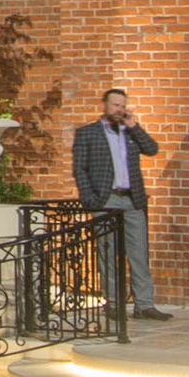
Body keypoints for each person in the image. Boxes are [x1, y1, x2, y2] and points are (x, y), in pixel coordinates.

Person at [72, 87, 169, 317]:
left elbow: (152, 149)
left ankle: (144, 304)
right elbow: (79, 169)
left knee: (138, 253)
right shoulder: (88, 133)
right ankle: (113, 302)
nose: (119, 109)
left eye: (123, 105)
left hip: (131, 199)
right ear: (105, 105)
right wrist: (90, 199)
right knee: (107, 253)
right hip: (104, 199)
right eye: (115, 105)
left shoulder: (129, 132)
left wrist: (134, 126)